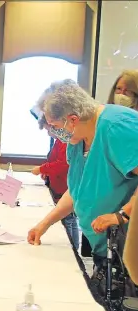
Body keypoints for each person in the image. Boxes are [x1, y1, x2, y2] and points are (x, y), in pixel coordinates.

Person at [27, 80, 138, 278]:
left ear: (73, 119)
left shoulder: (117, 126)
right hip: (106, 250)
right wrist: (44, 224)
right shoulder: (77, 138)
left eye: (55, 126)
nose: (55, 133)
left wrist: (123, 215)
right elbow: (78, 190)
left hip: (129, 250)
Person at [29, 112, 80, 251]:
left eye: (49, 128)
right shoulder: (59, 140)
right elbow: (54, 160)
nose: (48, 133)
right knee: (69, 220)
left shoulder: (66, 141)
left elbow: (62, 164)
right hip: (59, 186)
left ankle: (73, 250)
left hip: (66, 187)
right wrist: (47, 172)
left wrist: (41, 168)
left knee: (69, 220)